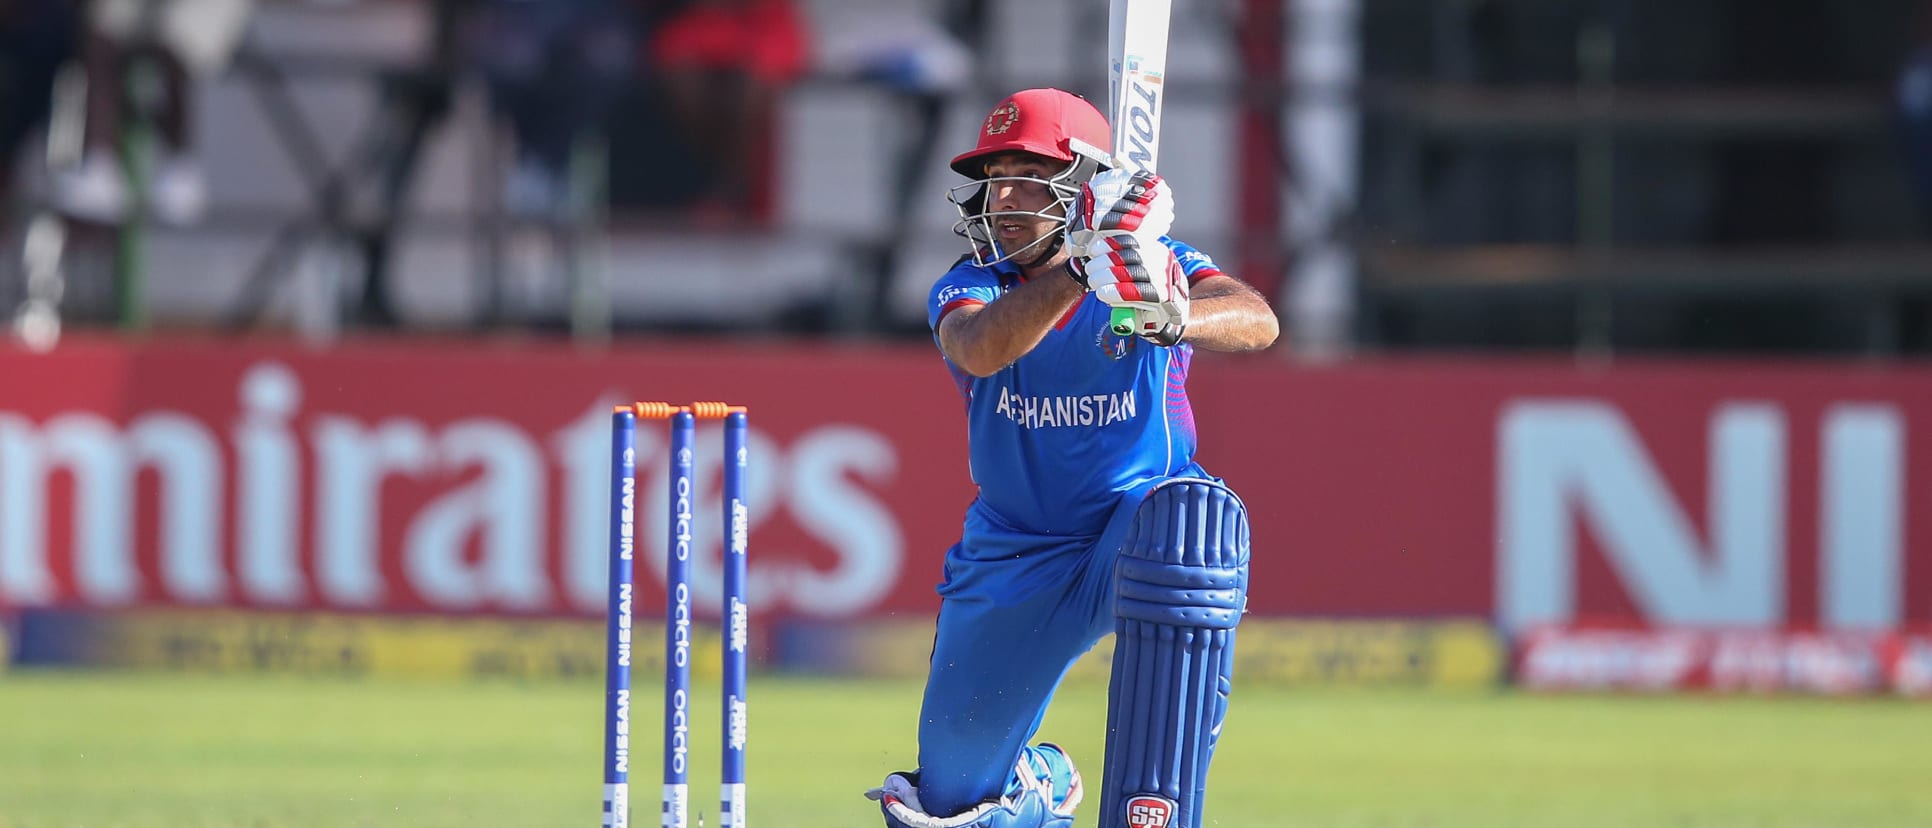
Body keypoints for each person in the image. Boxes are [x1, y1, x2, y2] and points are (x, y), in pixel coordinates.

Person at [863, 88, 1278, 828]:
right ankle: (1036, 789)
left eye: (1028, 176)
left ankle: (1152, 809)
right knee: (954, 803)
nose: (1005, 199)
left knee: (1192, 527)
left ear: (1085, 186)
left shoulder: (1159, 266)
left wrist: (1170, 312)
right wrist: (1083, 269)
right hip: (1019, 546)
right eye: (995, 181)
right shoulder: (973, 283)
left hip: (1137, 525)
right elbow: (981, 348)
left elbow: (1257, 321)